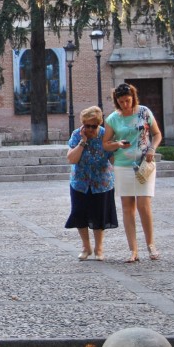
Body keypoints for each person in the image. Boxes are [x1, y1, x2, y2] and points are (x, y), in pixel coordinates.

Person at [103, 82, 163, 263]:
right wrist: (117, 144)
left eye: (127, 100)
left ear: (133, 98)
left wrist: (152, 148)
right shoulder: (113, 118)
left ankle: (151, 245)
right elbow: (106, 143)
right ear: (116, 101)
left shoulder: (144, 112)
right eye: (121, 102)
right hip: (123, 165)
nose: (125, 104)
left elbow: (157, 134)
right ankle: (133, 250)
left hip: (144, 163)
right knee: (127, 207)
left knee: (144, 205)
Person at [65, 106, 118, 261]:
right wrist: (83, 142)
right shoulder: (77, 134)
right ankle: (86, 247)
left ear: (99, 123)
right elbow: (72, 159)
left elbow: (114, 159)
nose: (89, 129)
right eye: (86, 125)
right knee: (79, 214)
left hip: (101, 183)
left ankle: (99, 248)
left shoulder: (106, 135)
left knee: (99, 215)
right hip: (80, 182)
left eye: (93, 126)